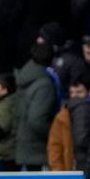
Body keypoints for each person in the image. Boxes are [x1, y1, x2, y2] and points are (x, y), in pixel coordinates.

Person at [16, 42, 60, 170]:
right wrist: (55, 134)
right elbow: (37, 120)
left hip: (24, 144)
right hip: (38, 149)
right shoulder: (44, 85)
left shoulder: (25, 76)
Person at [0, 72, 18, 171]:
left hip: (7, 150)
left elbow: (1, 129)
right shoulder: (15, 101)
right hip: (14, 150)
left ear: (4, 90)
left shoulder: (4, 106)